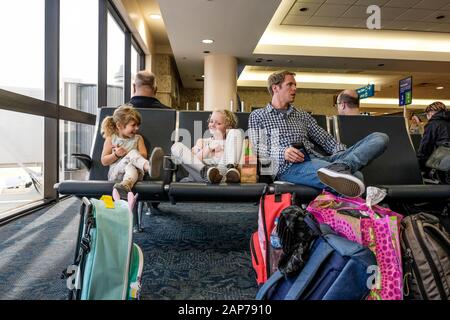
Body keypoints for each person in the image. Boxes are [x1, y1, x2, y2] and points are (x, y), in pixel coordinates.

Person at [248, 70, 389, 198]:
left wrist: (343, 155)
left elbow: (326, 140)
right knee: (357, 177)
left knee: (380, 138)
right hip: (289, 168)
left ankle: (341, 166)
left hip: (322, 161)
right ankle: (341, 171)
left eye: (295, 85)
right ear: (275, 88)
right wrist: (282, 152)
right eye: (290, 84)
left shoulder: (302, 115)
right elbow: (256, 147)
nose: (295, 88)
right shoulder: (258, 116)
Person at [101, 105, 164, 198]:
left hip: (134, 176)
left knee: (131, 163)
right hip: (116, 174)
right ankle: (149, 168)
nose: (137, 128)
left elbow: (143, 155)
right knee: (133, 153)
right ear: (119, 126)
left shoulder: (138, 138)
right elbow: (104, 161)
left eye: (138, 125)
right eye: (133, 125)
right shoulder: (111, 138)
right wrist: (116, 155)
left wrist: (128, 154)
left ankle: (125, 186)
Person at [171, 109, 244, 183]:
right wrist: (208, 147)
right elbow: (192, 161)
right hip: (201, 176)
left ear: (228, 127)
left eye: (218, 123)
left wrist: (223, 146)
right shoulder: (202, 142)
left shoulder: (231, 142)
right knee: (176, 146)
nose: (212, 125)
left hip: (222, 175)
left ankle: (230, 168)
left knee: (236, 132)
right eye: (211, 121)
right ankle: (206, 172)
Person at [417, 101, 450, 172]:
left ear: (431, 112)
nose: (427, 116)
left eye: (427, 114)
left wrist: (419, 163)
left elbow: (425, 147)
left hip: (440, 163)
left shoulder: (432, 124)